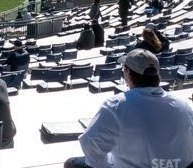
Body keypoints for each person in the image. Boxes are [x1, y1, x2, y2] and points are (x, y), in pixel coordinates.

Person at [64, 49, 193, 168]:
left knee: (72, 163)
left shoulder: (115, 106)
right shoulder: (183, 106)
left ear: (127, 72)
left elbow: (90, 143)